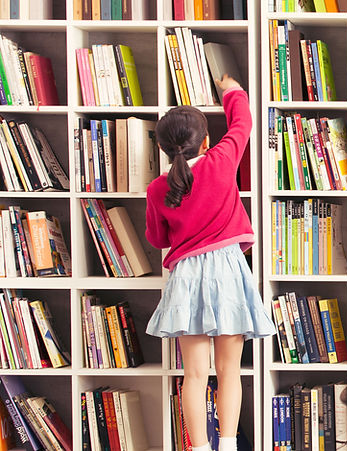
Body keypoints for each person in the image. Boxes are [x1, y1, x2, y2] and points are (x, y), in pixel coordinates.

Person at [144, 74, 276, 451]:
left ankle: (200, 447)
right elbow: (243, 122)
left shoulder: (158, 188)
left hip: (187, 278)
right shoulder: (221, 160)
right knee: (229, 370)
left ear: (164, 149)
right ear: (205, 141)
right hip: (228, 273)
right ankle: (229, 444)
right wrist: (230, 90)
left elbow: (157, 239)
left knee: (195, 375)